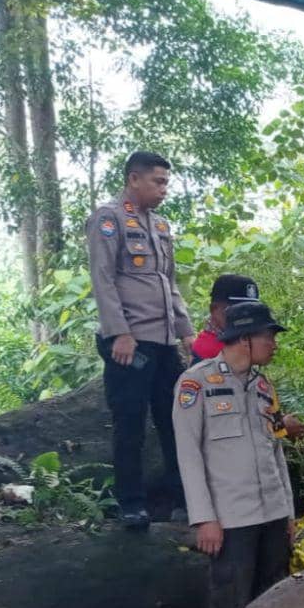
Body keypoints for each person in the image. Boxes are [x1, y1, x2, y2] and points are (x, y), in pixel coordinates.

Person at [173, 300, 299, 608]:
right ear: (244, 339)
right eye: (268, 336)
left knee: (273, 599)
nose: (274, 344)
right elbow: (188, 456)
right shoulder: (195, 383)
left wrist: (288, 513)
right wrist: (204, 518)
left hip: (272, 515)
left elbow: (276, 451)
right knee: (228, 604)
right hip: (232, 518)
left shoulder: (263, 385)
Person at [88, 150, 193, 529]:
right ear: (134, 179)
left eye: (166, 182)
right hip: (130, 341)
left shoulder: (161, 227)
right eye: (158, 181)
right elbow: (103, 279)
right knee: (130, 423)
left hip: (164, 342)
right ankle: (131, 504)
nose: (164, 189)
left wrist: (186, 332)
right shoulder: (109, 219)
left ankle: (184, 499)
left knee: (175, 422)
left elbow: (170, 283)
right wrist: (120, 332)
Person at [191, 274, 304, 442]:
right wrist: (280, 427)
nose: (247, 317)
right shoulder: (212, 352)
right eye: (238, 309)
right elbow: (224, 422)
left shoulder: (235, 348)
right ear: (215, 310)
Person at [190, 273, 260, 363]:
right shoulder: (208, 348)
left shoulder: (238, 340)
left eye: (251, 310)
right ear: (214, 309)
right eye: (239, 310)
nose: (246, 315)